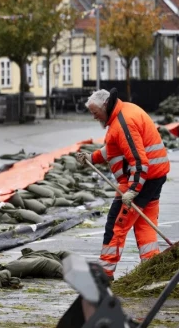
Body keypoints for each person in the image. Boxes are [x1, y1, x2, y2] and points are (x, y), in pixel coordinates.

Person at [75, 88, 170, 280]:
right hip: (153, 177)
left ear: (104, 106)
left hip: (141, 180)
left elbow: (139, 161)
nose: (94, 118)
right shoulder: (122, 115)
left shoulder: (123, 122)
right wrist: (92, 158)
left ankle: (105, 273)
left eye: (95, 113)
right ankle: (152, 270)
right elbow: (113, 149)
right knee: (144, 224)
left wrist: (133, 191)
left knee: (116, 224)